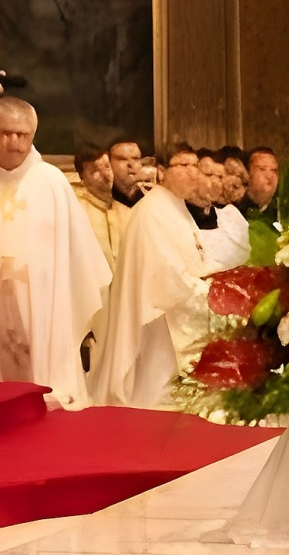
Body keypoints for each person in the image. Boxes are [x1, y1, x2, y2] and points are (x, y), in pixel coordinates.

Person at [0, 97, 112, 408]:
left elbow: (80, 254)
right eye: (5, 133)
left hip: (45, 303)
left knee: (44, 380)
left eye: (23, 134)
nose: (14, 142)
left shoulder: (51, 181)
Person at [88, 144, 214, 408]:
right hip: (160, 320)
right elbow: (166, 274)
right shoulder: (153, 210)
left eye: (196, 166)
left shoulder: (176, 206)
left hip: (177, 313)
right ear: (162, 171)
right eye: (184, 166)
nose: (192, 172)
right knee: (157, 396)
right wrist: (209, 293)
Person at [72, 144, 126, 277]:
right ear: (81, 176)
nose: (106, 175)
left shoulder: (125, 211)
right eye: (95, 170)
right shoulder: (77, 212)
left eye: (107, 167)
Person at [204, 147, 252, 270]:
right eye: (228, 173)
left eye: (240, 176)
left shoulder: (239, 213)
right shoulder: (201, 211)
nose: (234, 182)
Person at [245, 145, 281, 224]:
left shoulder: (283, 212)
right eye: (262, 169)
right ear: (247, 173)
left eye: (273, 170)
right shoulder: (233, 210)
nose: (269, 176)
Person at [109, 138, 147, 208]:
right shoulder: (103, 200)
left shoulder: (151, 196)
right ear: (109, 164)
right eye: (122, 159)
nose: (131, 164)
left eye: (136, 159)